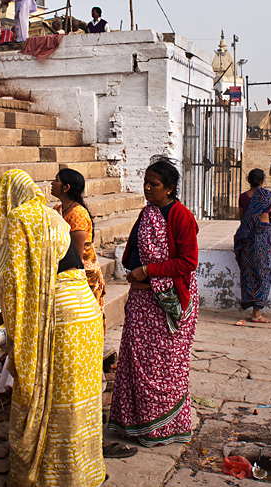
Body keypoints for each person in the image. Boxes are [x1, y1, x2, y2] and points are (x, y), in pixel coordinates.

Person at [0, 169, 105, 485]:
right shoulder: (54, 217)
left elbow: (19, 288)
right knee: (79, 399)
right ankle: (84, 474)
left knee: (55, 402)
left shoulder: (19, 220)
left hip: (60, 315)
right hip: (86, 309)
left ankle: (54, 477)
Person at [110, 159, 199, 446]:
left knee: (166, 366)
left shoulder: (181, 216)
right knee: (137, 362)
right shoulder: (148, 213)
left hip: (168, 302)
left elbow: (188, 262)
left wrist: (148, 271)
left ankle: (165, 426)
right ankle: (136, 422)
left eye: (154, 184)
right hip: (142, 300)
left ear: (170, 188)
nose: (147, 188)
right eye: (146, 183)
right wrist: (137, 274)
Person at [52, 168, 106, 313]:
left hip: (82, 273)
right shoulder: (58, 209)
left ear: (66, 187)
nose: (52, 183)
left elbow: (77, 253)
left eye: (56, 180)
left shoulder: (77, 214)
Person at [234, 168, 271, 323]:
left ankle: (254, 309)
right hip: (262, 235)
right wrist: (267, 213)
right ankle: (256, 313)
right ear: (262, 181)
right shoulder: (268, 196)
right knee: (263, 271)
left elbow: (243, 219)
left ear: (248, 180)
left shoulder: (242, 197)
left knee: (249, 271)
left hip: (247, 237)